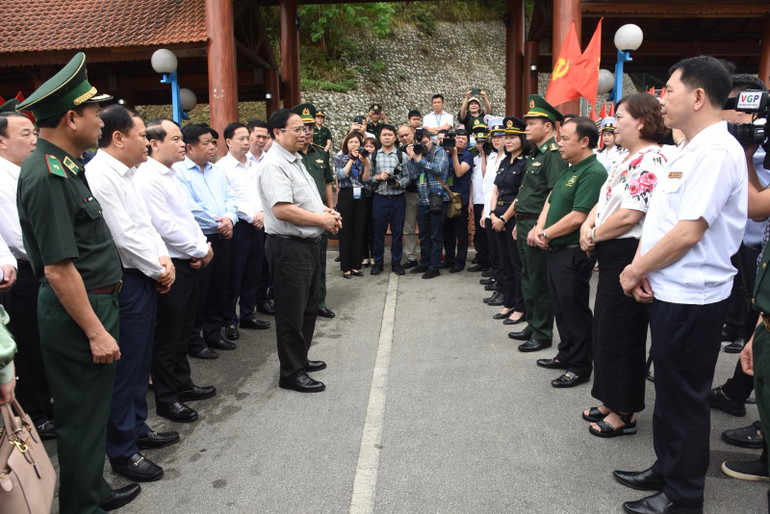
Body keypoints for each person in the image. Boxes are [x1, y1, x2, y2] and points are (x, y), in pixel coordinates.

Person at [616, 55, 747, 514]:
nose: (661, 100)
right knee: (670, 392)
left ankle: (683, 495)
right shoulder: (690, 148)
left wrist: (634, 270)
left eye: (668, 90)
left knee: (685, 398)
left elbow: (690, 231)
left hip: (694, 295)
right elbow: (663, 221)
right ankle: (666, 467)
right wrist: (645, 267)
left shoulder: (716, 152)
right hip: (671, 288)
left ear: (697, 96)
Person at [16, 52, 141, 513]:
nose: (101, 121)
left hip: (93, 303)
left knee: (93, 410)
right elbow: (58, 268)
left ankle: (92, 491)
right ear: (71, 118)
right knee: (81, 416)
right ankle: (81, 506)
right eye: (94, 112)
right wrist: (95, 330)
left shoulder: (66, 165)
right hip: (78, 312)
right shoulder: (48, 174)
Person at [86, 104, 177, 483]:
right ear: (119, 138)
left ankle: (138, 427)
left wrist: (163, 260)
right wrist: (159, 268)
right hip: (126, 277)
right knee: (125, 368)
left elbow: (145, 226)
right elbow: (122, 236)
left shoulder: (127, 173)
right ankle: (123, 450)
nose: (148, 142)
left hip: (145, 273)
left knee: (140, 361)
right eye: (142, 136)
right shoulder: (100, 176)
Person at [578, 93, 667, 437]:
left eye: (620, 116)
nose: (614, 123)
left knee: (623, 333)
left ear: (641, 122)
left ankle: (625, 410)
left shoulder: (652, 158)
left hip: (627, 250)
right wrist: (589, 226)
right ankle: (609, 398)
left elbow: (631, 215)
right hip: (609, 245)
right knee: (606, 329)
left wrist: (594, 233)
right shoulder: (625, 157)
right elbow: (605, 201)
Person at [135, 118, 216, 424]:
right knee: (168, 336)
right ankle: (167, 399)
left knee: (183, 330)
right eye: (176, 139)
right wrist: (200, 250)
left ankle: (183, 384)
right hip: (170, 264)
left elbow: (186, 218)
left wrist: (201, 247)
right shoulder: (148, 177)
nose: (183, 144)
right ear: (154, 143)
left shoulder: (171, 174)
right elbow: (164, 226)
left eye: (182, 139)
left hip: (188, 259)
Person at [258, 108, 341, 393]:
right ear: (277, 133)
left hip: (306, 245)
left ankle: (300, 358)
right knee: (291, 312)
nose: (304, 133)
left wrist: (327, 212)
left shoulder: (295, 160)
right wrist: (321, 220)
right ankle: (291, 372)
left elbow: (307, 200)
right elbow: (282, 210)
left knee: (308, 307)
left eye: (305, 129)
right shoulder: (274, 164)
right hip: (288, 246)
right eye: (297, 129)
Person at [533, 117, 606, 387]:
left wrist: (546, 234)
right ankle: (565, 353)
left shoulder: (593, 172)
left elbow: (579, 216)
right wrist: (540, 227)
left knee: (574, 310)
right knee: (561, 307)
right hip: (556, 249)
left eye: (565, 138)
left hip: (573, 251)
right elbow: (551, 199)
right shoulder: (570, 167)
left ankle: (580, 365)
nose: (559, 143)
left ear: (584, 141)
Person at [0, 108, 55, 439]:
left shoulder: (23, 172)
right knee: (28, 343)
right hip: (23, 269)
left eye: (35, 133)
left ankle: (45, 403)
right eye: (25, 134)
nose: (34, 140)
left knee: (41, 340)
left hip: (39, 264)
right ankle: (34, 410)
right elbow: (17, 233)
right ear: (2, 141)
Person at [173, 124, 238, 358]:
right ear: (189, 147)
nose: (212, 147)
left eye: (213, 142)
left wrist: (229, 219)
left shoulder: (216, 171)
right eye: (206, 143)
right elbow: (189, 207)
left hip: (223, 235)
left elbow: (231, 199)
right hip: (200, 237)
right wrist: (219, 223)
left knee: (219, 287)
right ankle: (194, 339)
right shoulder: (179, 172)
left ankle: (213, 333)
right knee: (199, 291)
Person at [509, 95, 567, 353]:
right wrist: (518, 219)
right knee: (528, 277)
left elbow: (554, 194)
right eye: (527, 123)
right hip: (524, 222)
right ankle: (533, 324)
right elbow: (529, 192)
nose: (527, 128)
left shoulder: (552, 155)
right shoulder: (536, 153)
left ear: (548, 126)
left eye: (532, 123)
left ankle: (542, 332)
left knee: (539, 281)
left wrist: (540, 227)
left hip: (536, 224)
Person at [219, 121, 271, 342]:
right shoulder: (222, 168)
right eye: (240, 138)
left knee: (254, 271)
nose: (246, 142)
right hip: (238, 226)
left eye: (247, 138)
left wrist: (262, 214)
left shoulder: (254, 164)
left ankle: (248, 314)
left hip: (259, 223)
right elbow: (227, 199)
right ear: (228, 141)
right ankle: (230, 319)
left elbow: (262, 192)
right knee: (235, 274)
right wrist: (251, 216)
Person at [293, 103, 336, 318]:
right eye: (303, 127)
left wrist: (331, 210)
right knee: (300, 265)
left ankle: (319, 302)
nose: (307, 131)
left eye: (310, 127)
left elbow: (328, 183)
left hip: (321, 216)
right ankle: (301, 305)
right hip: (299, 217)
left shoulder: (320, 153)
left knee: (320, 261)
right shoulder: (290, 156)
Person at [487, 117, 528, 325]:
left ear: (522, 139)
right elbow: (496, 190)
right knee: (504, 263)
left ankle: (520, 307)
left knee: (516, 265)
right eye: (507, 137)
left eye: (513, 137)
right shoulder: (505, 161)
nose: (508, 141)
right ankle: (508, 302)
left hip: (512, 218)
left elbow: (521, 195)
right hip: (498, 217)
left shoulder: (525, 163)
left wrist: (503, 218)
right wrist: (493, 214)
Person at [406, 127, 450, 279]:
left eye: (425, 142)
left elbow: (438, 169)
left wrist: (419, 160)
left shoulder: (439, 152)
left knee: (435, 235)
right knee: (424, 235)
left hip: (437, 199)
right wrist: (411, 158)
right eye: (419, 143)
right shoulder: (417, 153)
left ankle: (434, 267)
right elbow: (413, 175)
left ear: (430, 140)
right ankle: (424, 263)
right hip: (422, 200)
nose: (422, 145)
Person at [369, 124, 410, 275]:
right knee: (378, 232)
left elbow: (408, 177)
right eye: (384, 135)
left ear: (394, 137)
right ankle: (378, 262)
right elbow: (367, 178)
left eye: (390, 135)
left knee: (397, 232)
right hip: (380, 198)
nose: (387, 137)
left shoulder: (402, 156)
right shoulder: (373, 156)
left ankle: (396, 263)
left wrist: (398, 184)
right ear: (380, 137)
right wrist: (378, 177)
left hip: (398, 199)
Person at [247, 120, 276, 317]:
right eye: (257, 136)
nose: (261, 140)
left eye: (265, 137)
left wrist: (265, 213)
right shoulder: (243, 162)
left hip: (269, 219)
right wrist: (254, 215)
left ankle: (262, 300)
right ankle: (246, 309)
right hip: (248, 221)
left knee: (266, 264)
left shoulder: (270, 160)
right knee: (250, 267)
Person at [334, 131, 371, 278]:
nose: (354, 144)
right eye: (351, 142)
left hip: (360, 195)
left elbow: (366, 179)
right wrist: (351, 159)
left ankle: (356, 266)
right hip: (346, 194)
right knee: (346, 231)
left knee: (359, 231)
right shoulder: (340, 157)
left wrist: (366, 162)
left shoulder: (364, 157)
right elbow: (341, 176)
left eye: (356, 142)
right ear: (346, 144)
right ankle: (346, 267)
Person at [480, 121, 506, 306]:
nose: (497, 140)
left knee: (502, 253)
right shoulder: (491, 158)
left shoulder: (509, 159)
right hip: (489, 211)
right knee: (494, 252)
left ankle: (502, 287)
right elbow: (487, 188)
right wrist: (484, 211)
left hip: (500, 213)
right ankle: (497, 280)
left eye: (501, 137)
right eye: (494, 137)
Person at [441, 128, 474, 273]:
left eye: (463, 139)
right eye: (458, 137)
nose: (460, 140)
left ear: (467, 143)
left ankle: (460, 261)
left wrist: (454, 154)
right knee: (447, 231)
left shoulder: (467, 156)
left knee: (460, 232)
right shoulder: (446, 153)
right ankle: (449, 259)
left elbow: (459, 172)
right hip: (446, 198)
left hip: (460, 200)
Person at [468, 122, 491, 273]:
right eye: (478, 142)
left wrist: (484, 155)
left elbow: (486, 175)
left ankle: (489, 261)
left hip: (489, 201)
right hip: (477, 200)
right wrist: (470, 200)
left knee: (489, 234)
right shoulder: (473, 158)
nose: (480, 145)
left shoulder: (492, 157)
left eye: (483, 142)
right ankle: (482, 259)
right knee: (479, 233)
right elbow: (472, 182)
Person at [397, 125, 420, 268]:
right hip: (409, 193)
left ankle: (430, 255)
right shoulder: (398, 152)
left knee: (428, 227)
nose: (405, 138)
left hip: (426, 192)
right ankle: (411, 257)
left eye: (407, 134)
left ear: (413, 132)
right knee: (409, 227)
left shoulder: (423, 146)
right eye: (402, 136)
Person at [362, 136, 379, 267]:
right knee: (363, 227)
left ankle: (374, 255)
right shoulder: (359, 159)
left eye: (371, 146)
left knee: (374, 228)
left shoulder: (377, 159)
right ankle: (364, 256)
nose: (368, 149)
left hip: (375, 196)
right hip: (362, 197)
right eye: (366, 146)